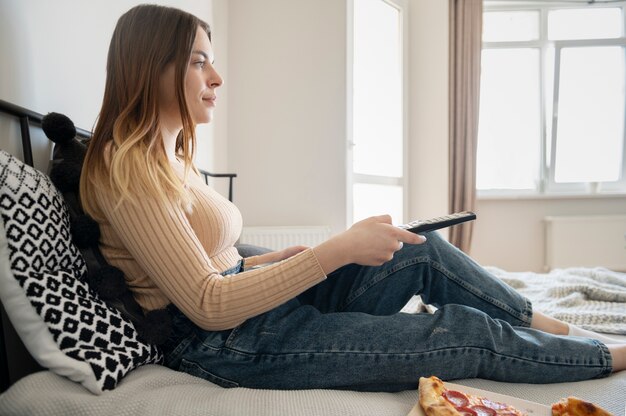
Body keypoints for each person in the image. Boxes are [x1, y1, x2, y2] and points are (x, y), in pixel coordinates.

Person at [80, 4, 625, 392]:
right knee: (462, 331)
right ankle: (603, 357)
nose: (217, 76)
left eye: (210, 59)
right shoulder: (124, 170)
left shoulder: (170, 159)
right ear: (153, 66)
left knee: (418, 245)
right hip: (224, 344)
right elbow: (204, 304)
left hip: (254, 306)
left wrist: (268, 261)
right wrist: (332, 252)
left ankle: (541, 324)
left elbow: (206, 263)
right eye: (199, 61)